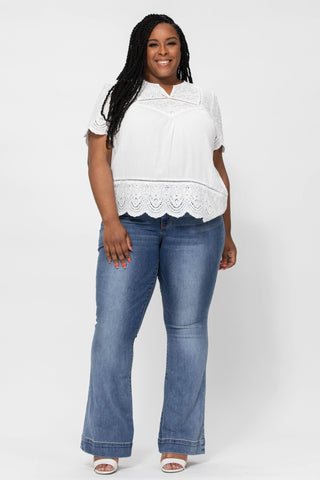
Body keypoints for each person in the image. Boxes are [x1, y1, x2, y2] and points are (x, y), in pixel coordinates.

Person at [80, 13, 237, 475]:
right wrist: (110, 221)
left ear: (182, 49)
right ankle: (106, 440)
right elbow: (97, 159)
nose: (163, 51)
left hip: (198, 229)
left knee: (188, 333)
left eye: (171, 43)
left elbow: (217, 167)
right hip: (132, 228)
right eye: (153, 44)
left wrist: (228, 231)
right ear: (140, 50)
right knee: (112, 333)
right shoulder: (119, 96)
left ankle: (180, 441)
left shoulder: (204, 99)